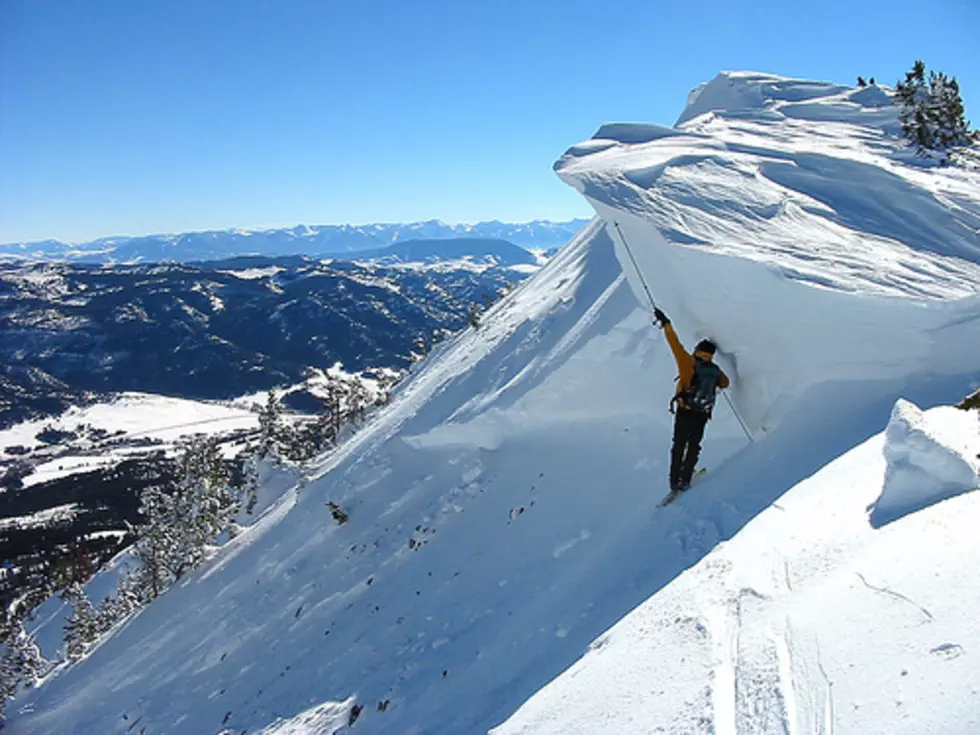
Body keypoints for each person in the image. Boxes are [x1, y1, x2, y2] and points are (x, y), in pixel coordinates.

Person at [653, 307, 729, 492]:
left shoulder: (688, 362)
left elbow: (675, 344)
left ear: (697, 350)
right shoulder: (715, 370)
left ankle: (674, 482)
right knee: (694, 444)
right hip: (702, 413)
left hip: (685, 409)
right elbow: (725, 383)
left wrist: (666, 324)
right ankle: (686, 479)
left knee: (679, 444)